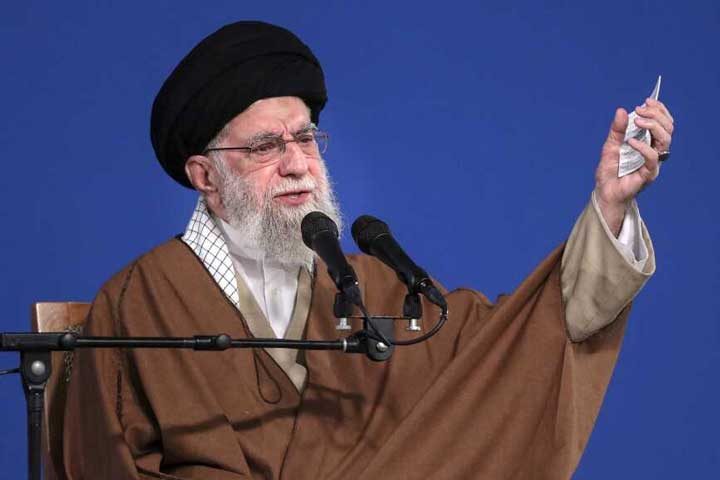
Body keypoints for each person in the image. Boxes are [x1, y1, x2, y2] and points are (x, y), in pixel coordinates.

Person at [62, 21, 674, 480]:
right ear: (204, 176)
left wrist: (609, 206)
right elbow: (105, 461)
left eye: (305, 139)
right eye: (266, 147)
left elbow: (509, 349)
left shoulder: (372, 286)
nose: (297, 164)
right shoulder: (140, 300)